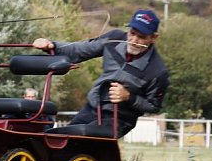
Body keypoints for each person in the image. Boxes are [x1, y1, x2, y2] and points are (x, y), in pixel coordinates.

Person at [32, 9, 169, 137]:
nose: (134, 40)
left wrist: (129, 97)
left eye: (141, 37)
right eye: (132, 33)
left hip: (120, 120)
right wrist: (52, 46)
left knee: (84, 139)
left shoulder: (157, 71)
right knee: (59, 137)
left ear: (154, 37)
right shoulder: (112, 39)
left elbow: (153, 106)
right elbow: (80, 49)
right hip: (92, 108)